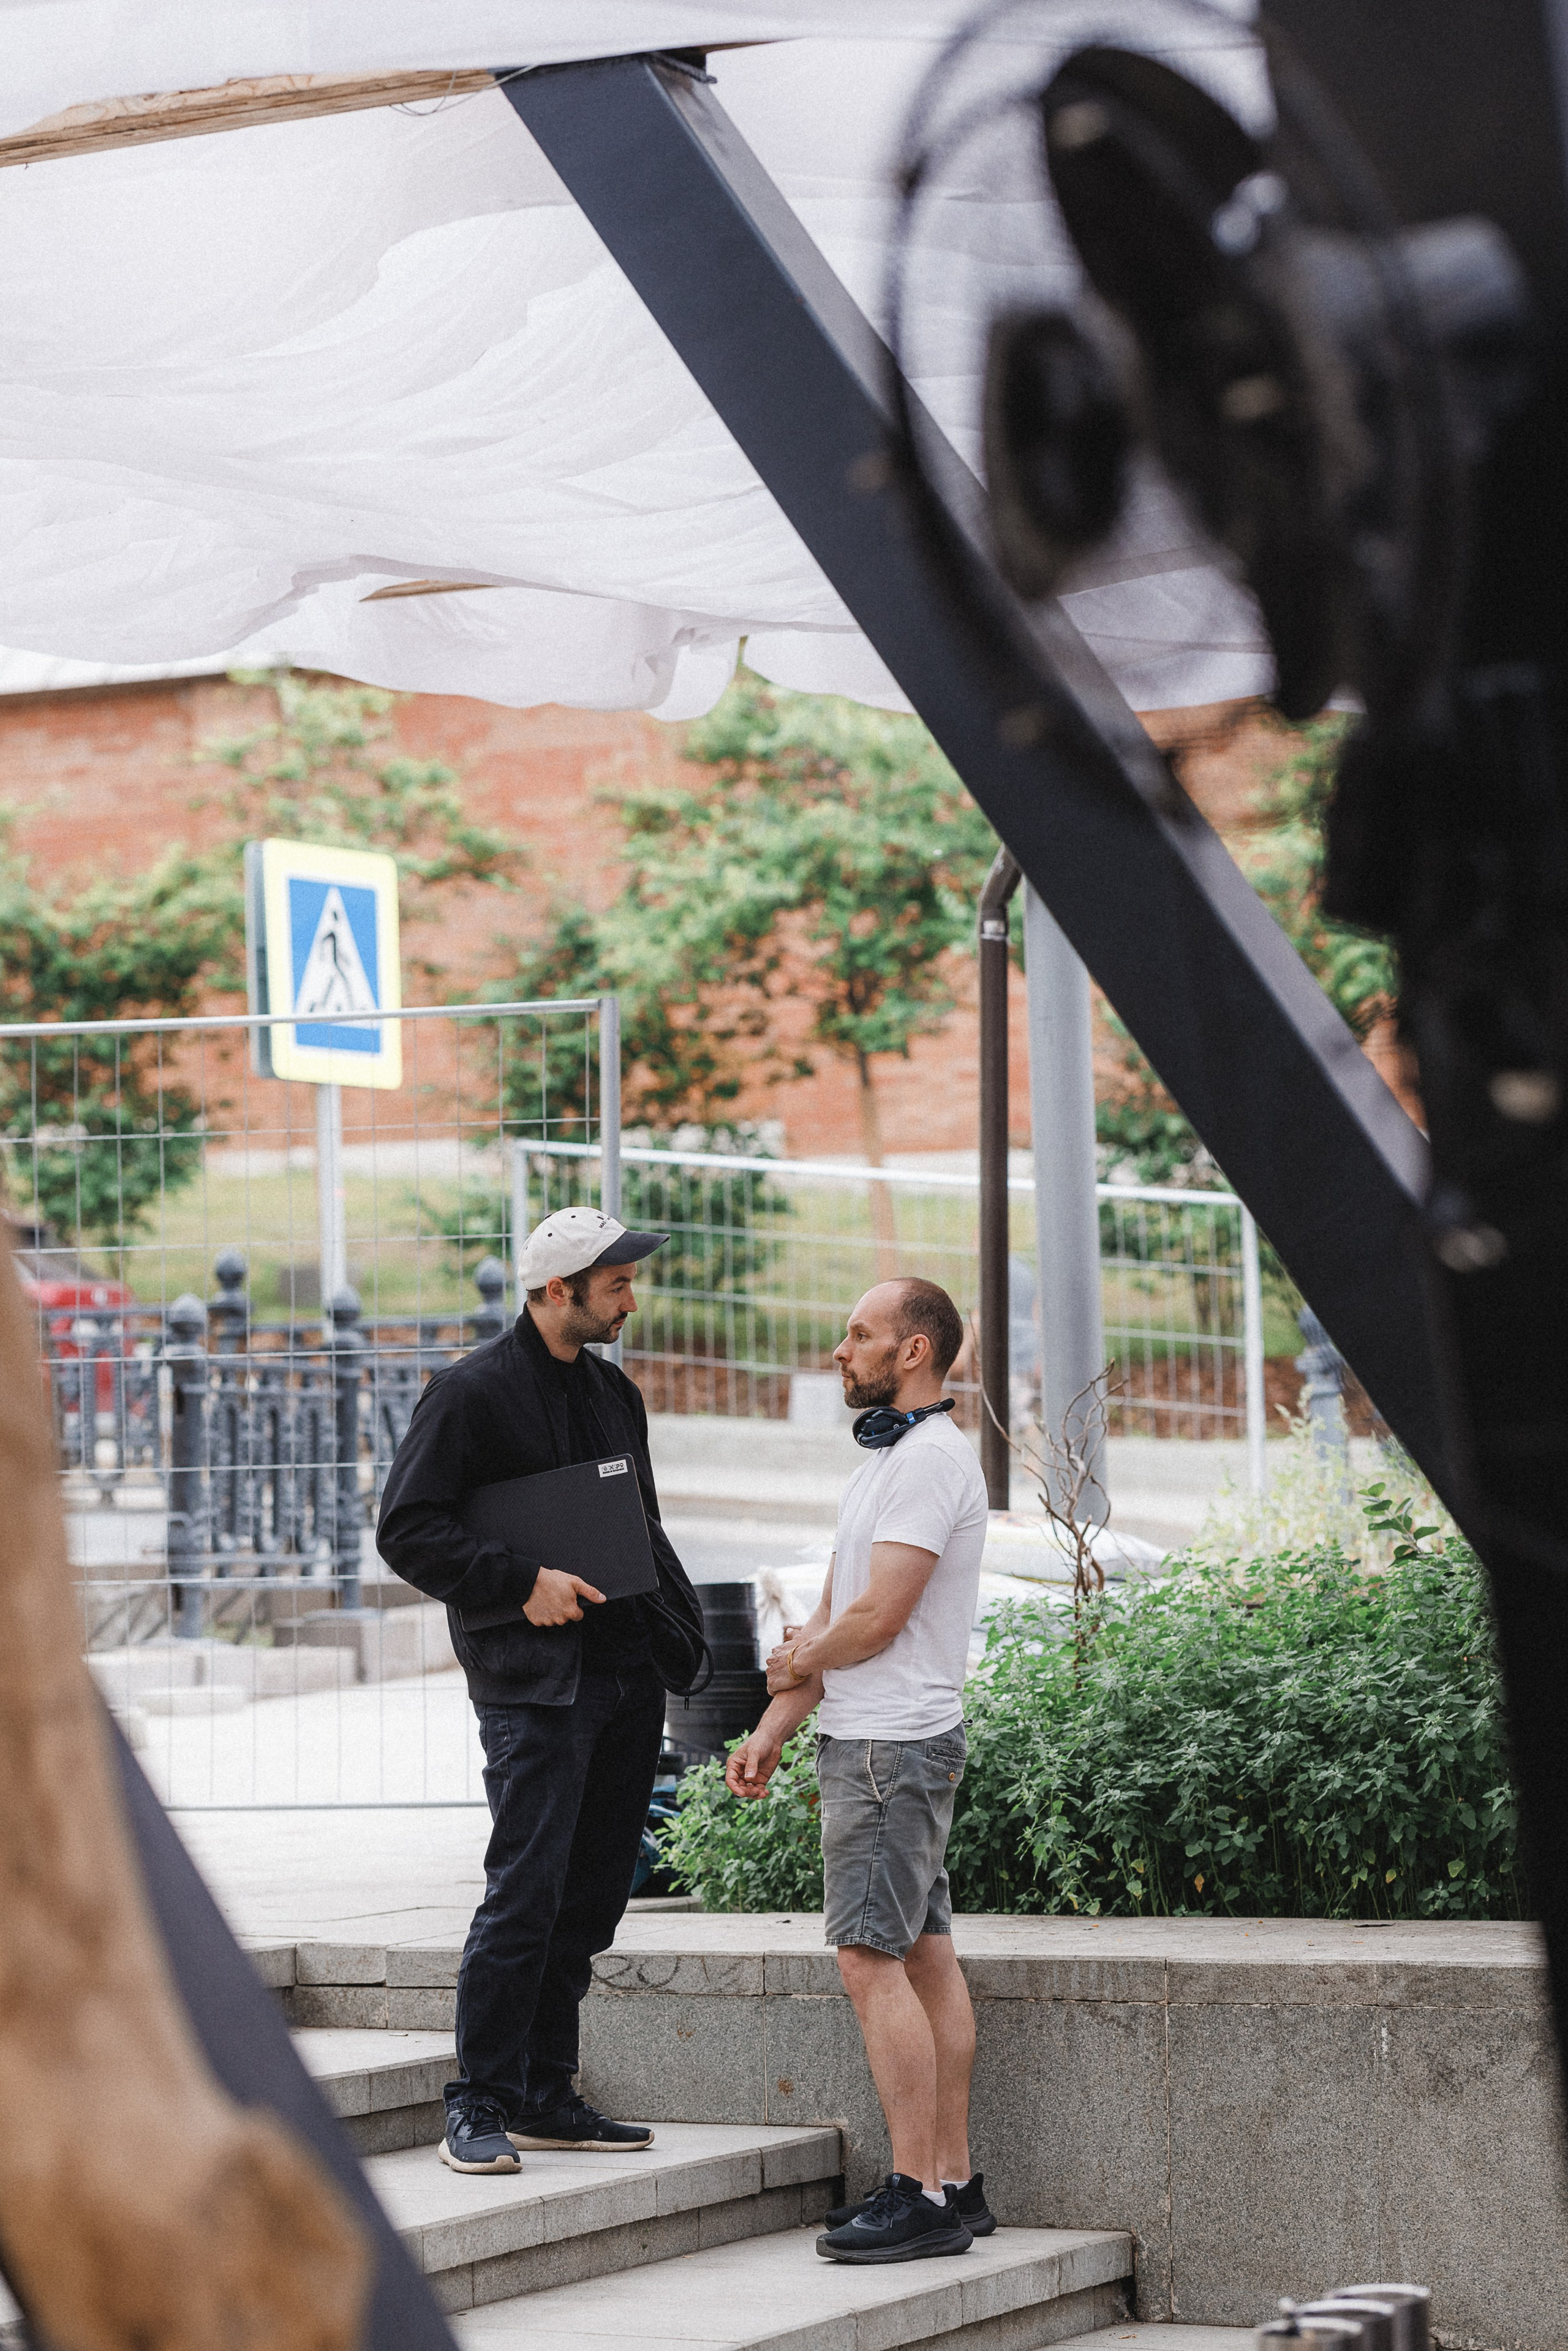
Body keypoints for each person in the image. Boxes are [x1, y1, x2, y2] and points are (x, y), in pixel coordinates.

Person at [377, 1204, 706, 2175]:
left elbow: (640, 1523)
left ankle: (545, 2092)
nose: (630, 1301)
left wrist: (676, 1642)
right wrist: (521, 1581)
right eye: (616, 1285)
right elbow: (408, 1530)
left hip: (622, 1678)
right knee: (525, 1889)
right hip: (532, 1686)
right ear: (556, 1289)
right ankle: (476, 2097)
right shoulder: (467, 1395)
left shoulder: (616, 1396)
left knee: (596, 1892)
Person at [726, 1277, 993, 2266]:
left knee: (868, 1959)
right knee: (924, 1955)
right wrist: (773, 1726)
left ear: (914, 1351)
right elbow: (838, 1618)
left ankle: (918, 2190)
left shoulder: (927, 1461)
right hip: (881, 1742)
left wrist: (803, 1661)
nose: (841, 1350)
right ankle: (957, 2183)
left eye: (860, 1334)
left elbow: (872, 1621)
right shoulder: (887, 1463)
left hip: (891, 1751)